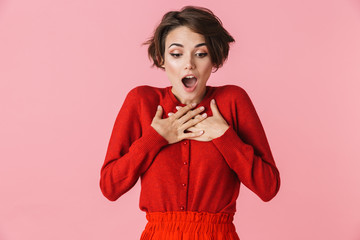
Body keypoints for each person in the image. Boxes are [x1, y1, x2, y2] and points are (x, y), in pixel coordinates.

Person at [99, 5, 280, 240]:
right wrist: (156, 138)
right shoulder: (141, 102)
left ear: (214, 58)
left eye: (201, 53)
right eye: (176, 54)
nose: (189, 64)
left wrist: (225, 136)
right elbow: (110, 188)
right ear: (160, 58)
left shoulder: (233, 100)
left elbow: (268, 188)